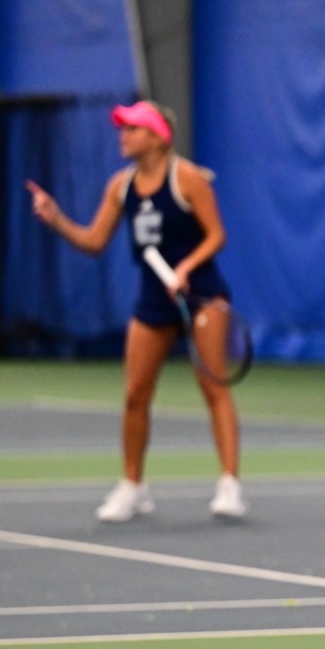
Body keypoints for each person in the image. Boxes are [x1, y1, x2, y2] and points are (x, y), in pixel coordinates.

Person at [26, 100, 246, 523]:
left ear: (158, 136)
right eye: (122, 128)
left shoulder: (189, 179)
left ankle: (230, 486)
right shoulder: (120, 187)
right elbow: (94, 242)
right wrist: (56, 219)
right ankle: (133, 487)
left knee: (213, 388)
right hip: (153, 300)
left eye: (132, 128)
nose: (123, 135)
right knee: (135, 395)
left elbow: (216, 235)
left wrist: (186, 268)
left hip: (202, 297)